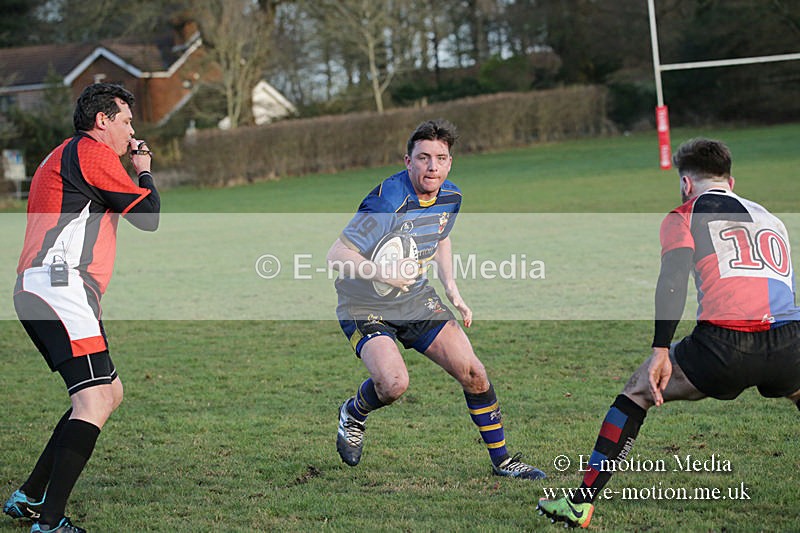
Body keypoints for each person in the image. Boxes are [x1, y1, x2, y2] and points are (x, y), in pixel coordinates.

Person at [537, 138, 800, 528]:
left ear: (686, 184)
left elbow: (673, 282)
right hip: (790, 342)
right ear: (731, 181)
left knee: (637, 391)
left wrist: (661, 349)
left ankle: (581, 503)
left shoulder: (684, 214)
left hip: (724, 347)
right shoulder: (770, 217)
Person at [327, 118, 546, 481]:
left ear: (449, 163)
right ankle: (353, 412)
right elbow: (336, 255)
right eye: (424, 157)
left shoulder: (451, 197)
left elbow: (441, 235)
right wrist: (385, 274)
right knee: (393, 384)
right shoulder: (387, 201)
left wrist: (452, 288)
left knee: (474, 373)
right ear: (407, 161)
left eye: (440, 158)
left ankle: (503, 461)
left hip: (414, 298)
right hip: (364, 303)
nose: (432, 166)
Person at [3, 83, 160, 533]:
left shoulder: (64, 153)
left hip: (48, 288)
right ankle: (49, 522)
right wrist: (143, 170)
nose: (132, 131)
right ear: (102, 121)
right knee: (93, 398)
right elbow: (149, 216)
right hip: (60, 287)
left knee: (108, 392)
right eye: (127, 121)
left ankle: (29, 497)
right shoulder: (92, 154)